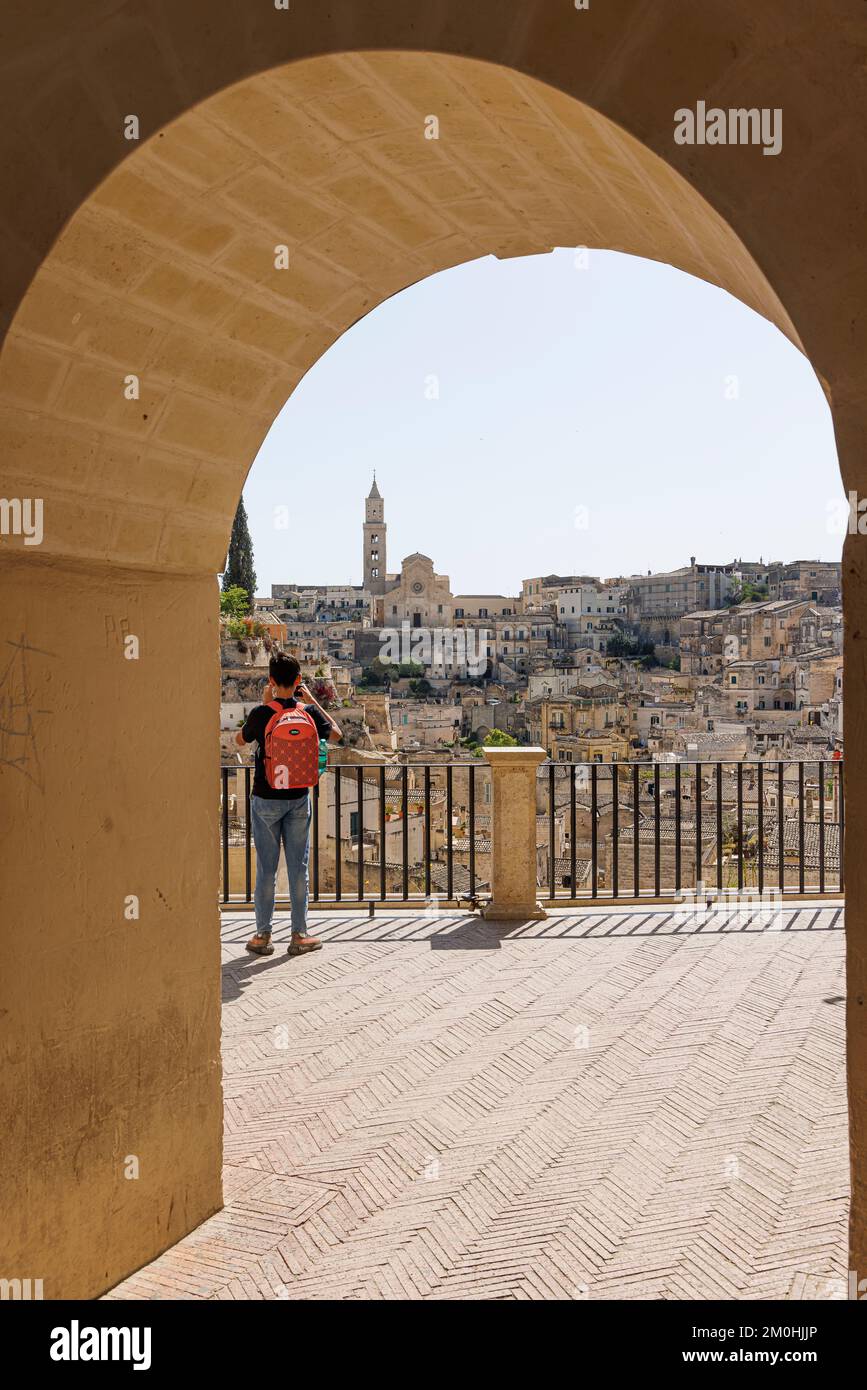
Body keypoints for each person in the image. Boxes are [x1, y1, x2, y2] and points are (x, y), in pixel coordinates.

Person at [235, 652, 341, 957]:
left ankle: (262, 935)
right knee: (298, 867)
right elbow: (336, 734)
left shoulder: (262, 713)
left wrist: (265, 702)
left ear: (270, 680)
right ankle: (300, 934)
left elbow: (240, 741)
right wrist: (312, 701)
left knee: (266, 869)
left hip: (265, 798)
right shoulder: (307, 711)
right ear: (298, 682)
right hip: (297, 798)